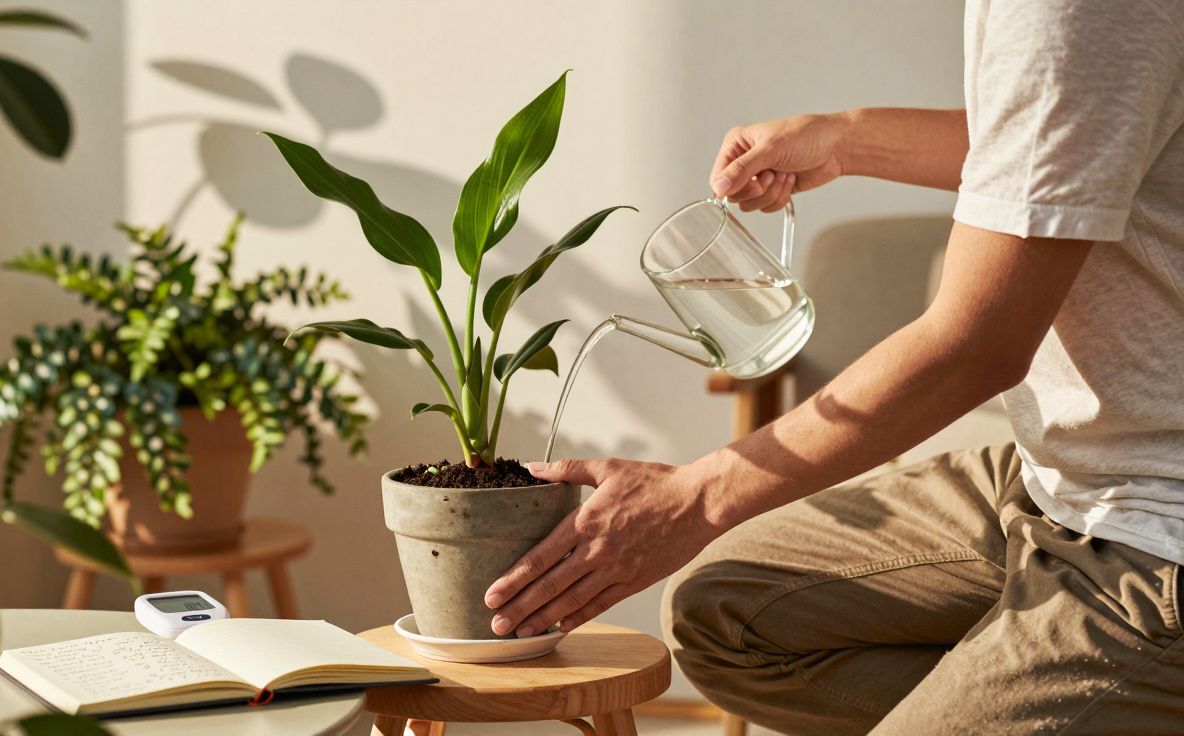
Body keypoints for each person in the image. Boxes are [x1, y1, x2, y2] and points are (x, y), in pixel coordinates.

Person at [482, 1, 1184, 732]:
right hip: (1058, 478)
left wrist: (693, 499)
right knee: (725, 617)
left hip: (1157, 534)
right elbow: (1073, 135)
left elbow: (978, 346)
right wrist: (848, 141)